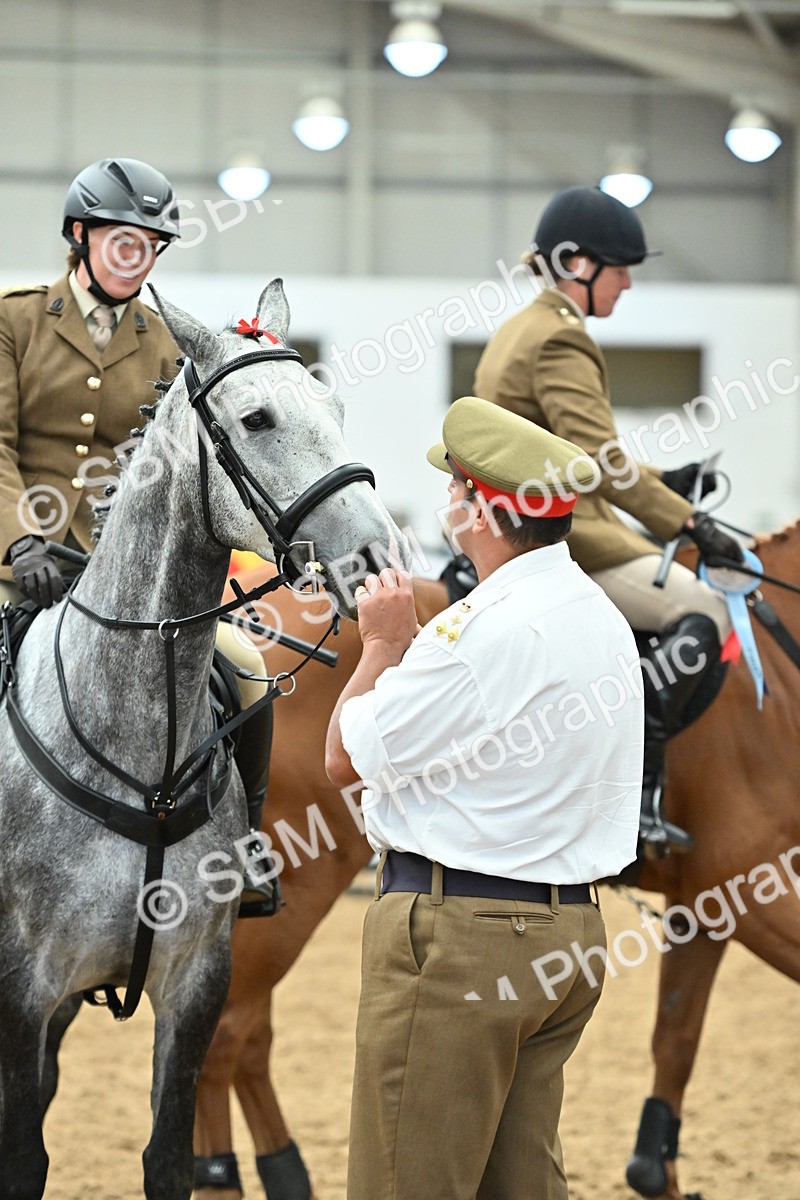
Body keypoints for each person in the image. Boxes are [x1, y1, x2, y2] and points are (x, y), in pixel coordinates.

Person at [326, 395, 643, 1200]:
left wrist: (384, 644)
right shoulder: (601, 616)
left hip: (461, 937)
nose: (450, 507)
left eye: (458, 492)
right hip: (569, 933)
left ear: (487, 512)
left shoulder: (481, 627)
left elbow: (342, 758)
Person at [0, 156, 274, 914]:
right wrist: (19, 540)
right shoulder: (15, 319)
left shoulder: (167, 344)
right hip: (19, 563)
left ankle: (242, 846)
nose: (137, 254)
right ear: (81, 235)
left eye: (150, 242)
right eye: (123, 237)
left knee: (246, 666)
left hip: (124, 578)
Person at [473, 185, 744, 856]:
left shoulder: (522, 327)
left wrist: (662, 483)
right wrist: (689, 523)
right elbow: (599, 457)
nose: (627, 283)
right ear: (575, 263)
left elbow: (581, 453)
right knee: (707, 611)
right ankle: (641, 790)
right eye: (619, 268)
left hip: (532, 520)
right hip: (566, 538)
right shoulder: (561, 338)